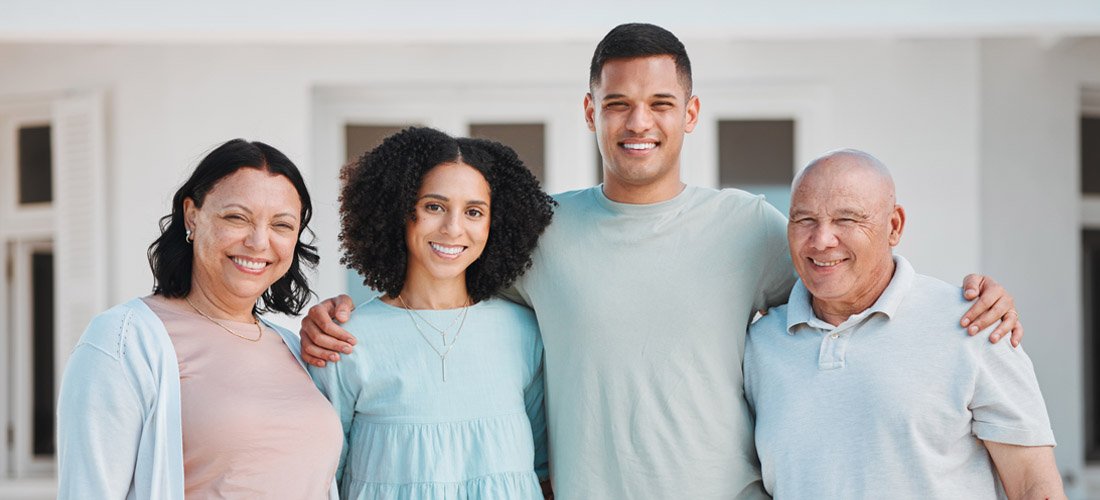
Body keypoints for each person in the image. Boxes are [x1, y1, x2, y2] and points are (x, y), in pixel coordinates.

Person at [300, 24, 1023, 499]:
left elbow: (850, 280)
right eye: (617, 103)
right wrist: (340, 309)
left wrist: (965, 298)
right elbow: (446, 291)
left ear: (690, 112)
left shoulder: (747, 226)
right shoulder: (541, 232)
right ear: (591, 113)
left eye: (659, 103)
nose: (638, 122)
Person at [743, 149, 1063, 499]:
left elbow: (1034, 487)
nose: (821, 240)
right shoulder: (761, 345)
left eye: (847, 220)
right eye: (804, 220)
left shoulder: (975, 324)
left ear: (893, 226)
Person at [57, 139, 341, 499]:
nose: (258, 241)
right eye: (236, 217)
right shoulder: (124, 339)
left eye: (282, 225)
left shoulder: (292, 347)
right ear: (192, 215)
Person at [308, 127, 555, 499]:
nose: (453, 228)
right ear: (398, 211)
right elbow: (322, 479)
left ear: (496, 223)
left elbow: (541, 472)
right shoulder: (345, 340)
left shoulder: (524, 331)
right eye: (434, 206)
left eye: (474, 211)